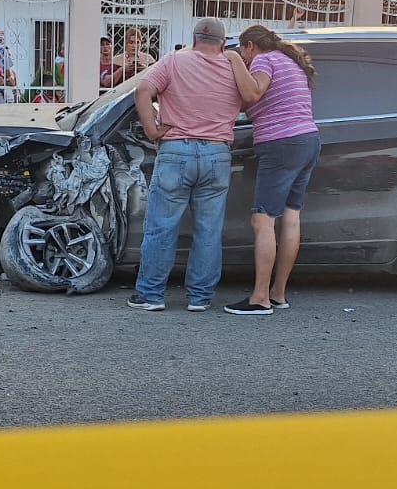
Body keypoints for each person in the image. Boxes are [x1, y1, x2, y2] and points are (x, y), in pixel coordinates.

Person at [126, 17, 243, 313]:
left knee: (162, 227)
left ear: (194, 39)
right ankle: (200, 297)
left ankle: (151, 295)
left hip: (176, 151)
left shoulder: (174, 60)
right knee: (208, 229)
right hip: (217, 154)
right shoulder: (233, 67)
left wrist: (152, 131)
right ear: (223, 42)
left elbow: (142, 91)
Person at [219, 25, 321, 315]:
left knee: (262, 220)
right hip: (307, 140)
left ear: (250, 45)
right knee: (290, 218)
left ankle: (260, 298)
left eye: (243, 50)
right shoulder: (289, 60)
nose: (243, 57)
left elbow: (253, 93)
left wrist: (234, 59)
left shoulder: (264, 59)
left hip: (281, 144)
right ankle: (278, 293)